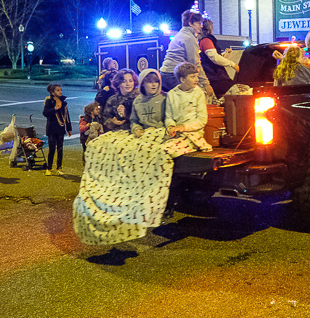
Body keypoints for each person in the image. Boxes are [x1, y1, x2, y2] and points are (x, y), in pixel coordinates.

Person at [73, 62, 211, 245]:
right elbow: (130, 121)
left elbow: (171, 118)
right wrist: (133, 127)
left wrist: (171, 127)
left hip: (164, 132)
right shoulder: (132, 100)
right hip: (136, 132)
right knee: (101, 146)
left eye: (156, 82)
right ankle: (111, 190)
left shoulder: (166, 97)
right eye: (149, 82)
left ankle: (146, 199)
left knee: (147, 152)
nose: (153, 85)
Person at [160, 8, 212, 95]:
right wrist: (206, 84)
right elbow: (195, 63)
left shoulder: (182, 34)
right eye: (199, 23)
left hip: (166, 73)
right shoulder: (189, 38)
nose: (201, 26)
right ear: (190, 23)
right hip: (173, 75)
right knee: (194, 94)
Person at [198, 17, 239, 96]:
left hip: (213, 75)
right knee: (233, 92)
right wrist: (232, 64)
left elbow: (211, 57)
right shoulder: (206, 41)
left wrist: (224, 54)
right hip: (215, 76)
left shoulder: (204, 40)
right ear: (210, 28)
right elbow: (214, 58)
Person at [43, 83, 72, 176]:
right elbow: (45, 113)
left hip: (61, 128)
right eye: (58, 90)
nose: (60, 92)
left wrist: (69, 128)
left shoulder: (63, 102)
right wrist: (54, 109)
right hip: (52, 128)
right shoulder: (49, 101)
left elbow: (66, 116)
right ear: (53, 92)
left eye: (61, 90)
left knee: (60, 149)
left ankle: (59, 167)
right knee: (52, 148)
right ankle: (49, 168)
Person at [130, 69, 167, 139]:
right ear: (142, 83)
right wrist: (136, 129)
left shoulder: (165, 98)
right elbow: (134, 120)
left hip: (162, 133)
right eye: (150, 82)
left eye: (156, 81)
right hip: (143, 134)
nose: (154, 84)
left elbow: (170, 119)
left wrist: (155, 128)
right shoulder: (137, 101)